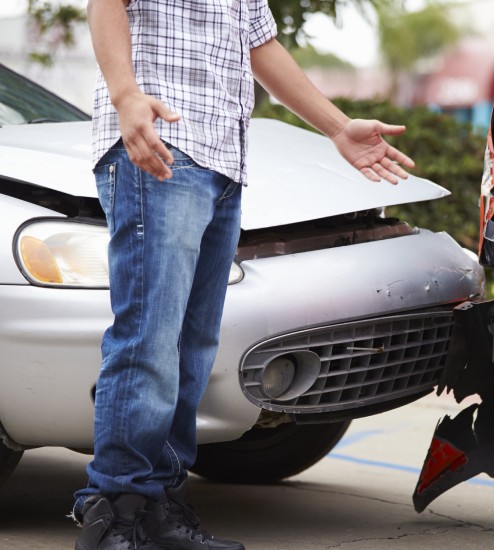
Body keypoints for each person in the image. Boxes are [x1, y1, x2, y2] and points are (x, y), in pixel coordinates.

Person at [73, 1, 414, 549]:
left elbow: (260, 45)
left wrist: (337, 127)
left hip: (223, 161)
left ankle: (159, 507)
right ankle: (116, 512)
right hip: (159, 144)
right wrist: (125, 95)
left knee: (192, 349)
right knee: (149, 341)